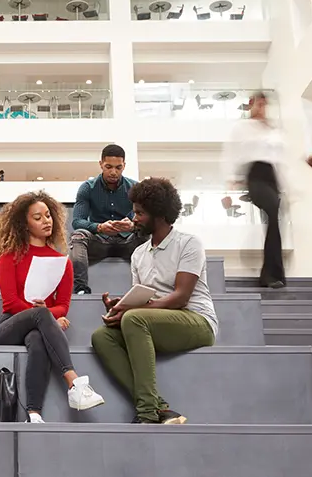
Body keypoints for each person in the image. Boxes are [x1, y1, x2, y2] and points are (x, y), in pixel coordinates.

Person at [91, 178, 218, 424]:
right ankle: (160, 408)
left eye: (140, 213)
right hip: (155, 322)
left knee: (135, 318)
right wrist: (121, 307)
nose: (134, 218)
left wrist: (132, 311)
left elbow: (181, 297)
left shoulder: (189, 244)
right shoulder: (139, 254)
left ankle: (147, 412)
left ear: (159, 215)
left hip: (197, 321)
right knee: (102, 336)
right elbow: (143, 298)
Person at [0, 191, 105, 423]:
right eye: (38, 217)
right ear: (24, 224)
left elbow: (63, 306)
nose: (47, 220)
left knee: (36, 339)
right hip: (9, 327)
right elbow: (10, 303)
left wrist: (46, 317)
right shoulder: (9, 258)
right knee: (40, 317)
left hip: (41, 329)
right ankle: (74, 382)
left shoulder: (62, 262)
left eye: (48, 215)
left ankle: (33, 413)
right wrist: (43, 315)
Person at [222, 91, 286, 288]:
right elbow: (231, 153)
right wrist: (231, 179)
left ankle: (272, 275)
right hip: (255, 174)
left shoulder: (273, 129)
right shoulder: (242, 127)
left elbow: (280, 157)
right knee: (273, 213)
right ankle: (271, 274)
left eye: (264, 104)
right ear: (251, 104)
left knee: (274, 221)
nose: (261, 108)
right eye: (258, 104)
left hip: (272, 176)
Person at [69, 144, 144, 295]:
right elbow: (77, 221)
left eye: (118, 167)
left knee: (147, 236)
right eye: (108, 167)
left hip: (128, 243)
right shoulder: (87, 188)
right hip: (99, 242)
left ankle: (148, 289)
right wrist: (99, 227)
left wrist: (133, 225)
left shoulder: (135, 188)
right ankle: (81, 289)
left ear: (124, 166)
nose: (113, 172)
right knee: (78, 236)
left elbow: (147, 220)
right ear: (101, 164)